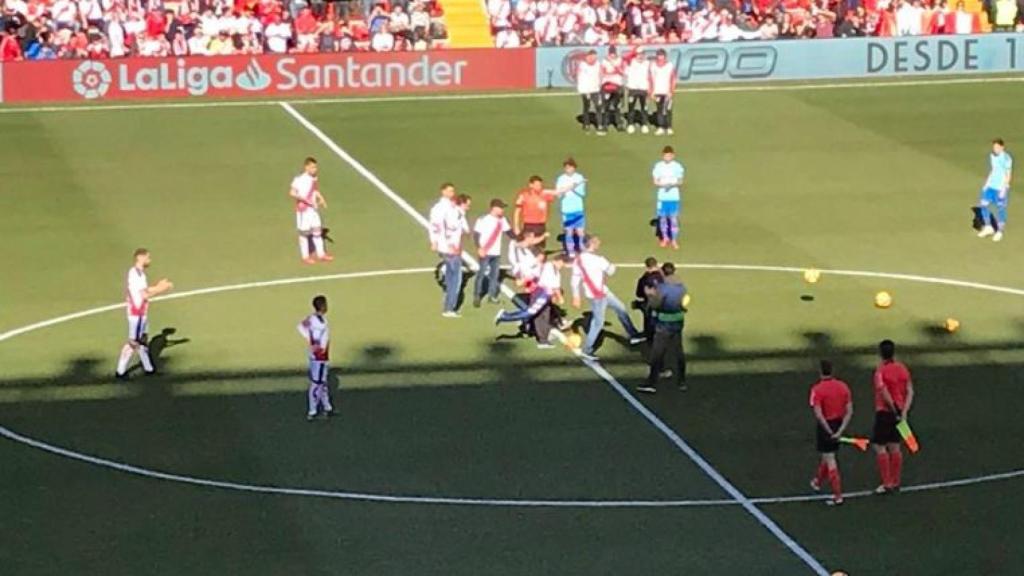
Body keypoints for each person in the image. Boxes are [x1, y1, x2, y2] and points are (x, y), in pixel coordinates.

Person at [571, 236, 644, 360]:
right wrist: (609, 266)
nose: (599, 243)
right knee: (598, 323)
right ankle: (587, 349)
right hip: (599, 294)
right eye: (596, 242)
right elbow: (611, 270)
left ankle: (633, 334)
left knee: (621, 308)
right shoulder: (599, 260)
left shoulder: (578, 260)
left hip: (597, 292)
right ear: (591, 244)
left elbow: (575, 279)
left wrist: (576, 295)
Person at [115, 249, 173, 379]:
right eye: (148, 258)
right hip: (137, 314)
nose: (149, 260)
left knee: (143, 340)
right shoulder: (135, 274)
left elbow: (145, 290)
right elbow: (144, 294)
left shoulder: (140, 274)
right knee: (133, 343)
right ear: (141, 258)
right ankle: (120, 371)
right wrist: (161, 289)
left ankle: (149, 368)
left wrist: (158, 286)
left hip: (141, 312)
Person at [495, 253, 565, 348]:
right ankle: (505, 316)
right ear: (558, 261)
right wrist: (560, 297)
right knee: (530, 312)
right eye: (562, 263)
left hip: (545, 295)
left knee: (543, 315)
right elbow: (554, 286)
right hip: (541, 294)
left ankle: (543, 340)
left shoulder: (554, 270)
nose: (562, 266)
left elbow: (534, 275)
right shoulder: (549, 268)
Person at [872, 339, 915, 494]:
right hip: (899, 412)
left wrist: (894, 408)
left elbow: (883, 392)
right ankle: (896, 481)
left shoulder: (880, 371)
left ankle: (886, 482)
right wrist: (904, 411)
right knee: (895, 446)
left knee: (879, 446)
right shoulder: (902, 368)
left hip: (885, 412)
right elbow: (910, 391)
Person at [808, 360, 853, 507]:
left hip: (825, 425)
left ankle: (837, 495)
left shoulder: (817, 389)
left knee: (830, 458)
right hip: (838, 423)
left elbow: (818, 413)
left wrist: (828, 430)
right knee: (827, 455)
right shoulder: (843, 386)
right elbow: (849, 410)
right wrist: (840, 430)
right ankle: (817, 482)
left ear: (820, 371)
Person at [637, 262, 686, 393]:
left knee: (657, 353)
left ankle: (651, 382)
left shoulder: (662, 288)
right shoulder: (681, 287)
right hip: (678, 321)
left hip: (664, 323)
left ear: (663, 272)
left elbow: (655, 304)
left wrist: (649, 294)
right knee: (678, 352)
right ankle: (681, 381)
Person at [429, 182, 467, 318]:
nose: (452, 193)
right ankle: (449, 308)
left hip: (444, 246)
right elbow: (444, 227)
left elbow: (434, 226)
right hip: (450, 247)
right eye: (450, 191)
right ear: (443, 191)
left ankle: (447, 305)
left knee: (451, 276)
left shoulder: (438, 208)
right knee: (455, 279)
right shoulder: (446, 208)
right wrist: (450, 244)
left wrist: (434, 241)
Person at [289, 157, 334, 264]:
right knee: (304, 233)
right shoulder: (299, 179)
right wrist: (305, 200)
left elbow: (315, 190)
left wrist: (321, 198)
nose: (315, 169)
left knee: (317, 231)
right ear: (306, 167)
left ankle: (321, 254)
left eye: (315, 167)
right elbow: (292, 192)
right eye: (313, 167)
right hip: (303, 210)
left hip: (313, 210)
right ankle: (305, 256)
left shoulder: (314, 178)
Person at [297, 295, 334, 421]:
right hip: (318, 357)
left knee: (323, 382)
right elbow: (302, 328)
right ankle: (312, 411)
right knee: (316, 383)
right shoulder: (317, 321)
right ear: (322, 306)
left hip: (322, 356)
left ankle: (327, 407)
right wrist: (313, 344)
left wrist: (311, 340)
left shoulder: (316, 318)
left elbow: (301, 327)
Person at [472, 198, 514, 306]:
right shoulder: (483, 219)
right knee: (481, 274)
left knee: (494, 275)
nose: (502, 210)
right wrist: (479, 248)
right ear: (494, 208)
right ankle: (477, 296)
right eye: (501, 208)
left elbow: (509, 233)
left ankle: (491, 296)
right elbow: (476, 235)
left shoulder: (502, 220)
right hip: (485, 251)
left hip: (496, 252)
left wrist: (521, 239)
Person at [976, 138, 1013, 242]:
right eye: (994, 147)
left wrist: (1004, 189)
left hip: (1000, 188)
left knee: (1000, 209)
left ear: (1002, 147)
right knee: (983, 205)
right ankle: (988, 227)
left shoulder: (1006, 158)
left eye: (997, 147)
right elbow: (993, 170)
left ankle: (1000, 231)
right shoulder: (992, 156)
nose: (995, 149)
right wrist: (986, 183)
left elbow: (1008, 175)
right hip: (991, 187)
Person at [513, 175, 562, 249]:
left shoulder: (544, 194)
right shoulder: (524, 195)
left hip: (541, 226)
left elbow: (557, 193)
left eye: (540, 185)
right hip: (529, 226)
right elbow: (517, 212)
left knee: (540, 249)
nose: (539, 187)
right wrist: (516, 227)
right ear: (531, 185)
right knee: (529, 247)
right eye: (537, 185)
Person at [652, 146, 685, 249]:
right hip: (662, 197)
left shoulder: (677, 166)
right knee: (662, 219)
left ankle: (674, 240)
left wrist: (670, 185)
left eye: (669, 155)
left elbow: (680, 181)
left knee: (673, 219)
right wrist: (663, 186)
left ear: (673, 156)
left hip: (673, 197)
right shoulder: (658, 166)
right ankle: (665, 238)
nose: (667, 157)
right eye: (666, 155)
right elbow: (655, 181)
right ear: (663, 156)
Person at [556, 158, 588, 258]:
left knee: (580, 231)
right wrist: (568, 188)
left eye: (570, 168)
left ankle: (582, 249)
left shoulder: (579, 178)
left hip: (578, 208)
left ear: (574, 168)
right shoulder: (561, 179)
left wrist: (574, 188)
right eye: (566, 168)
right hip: (566, 209)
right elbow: (558, 193)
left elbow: (582, 193)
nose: (568, 170)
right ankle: (571, 251)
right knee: (568, 231)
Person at [634, 257, 664, 340]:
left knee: (648, 319)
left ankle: (648, 335)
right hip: (663, 303)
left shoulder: (645, 279)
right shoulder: (663, 276)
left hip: (650, 303)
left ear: (647, 266)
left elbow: (639, 294)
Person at [649, 49, 677, 136]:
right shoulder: (653, 66)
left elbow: (673, 79)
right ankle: (660, 127)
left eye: (662, 55)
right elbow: (650, 79)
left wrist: (671, 91)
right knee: (659, 109)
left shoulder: (669, 65)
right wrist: (651, 92)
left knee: (668, 109)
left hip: (667, 91)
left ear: (665, 56)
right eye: (659, 55)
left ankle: (668, 127)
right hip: (657, 91)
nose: (660, 57)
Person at [576, 49, 605, 134]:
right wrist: (582, 89)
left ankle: (599, 124)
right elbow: (579, 76)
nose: (594, 59)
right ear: (588, 57)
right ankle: (586, 124)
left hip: (595, 89)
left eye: (595, 58)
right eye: (592, 57)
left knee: (598, 106)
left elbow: (601, 74)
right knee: (587, 106)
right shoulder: (582, 65)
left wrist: (600, 84)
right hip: (585, 89)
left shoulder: (598, 64)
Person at [624, 47, 650, 134]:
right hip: (633, 88)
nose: (640, 56)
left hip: (644, 88)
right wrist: (634, 50)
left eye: (642, 54)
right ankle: (630, 124)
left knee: (644, 108)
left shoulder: (647, 63)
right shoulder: (631, 62)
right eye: (639, 54)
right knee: (631, 107)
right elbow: (625, 58)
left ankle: (644, 124)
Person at [600, 46, 626, 132]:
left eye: (613, 53)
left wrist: (615, 70)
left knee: (617, 106)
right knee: (605, 106)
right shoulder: (604, 61)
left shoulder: (620, 60)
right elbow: (602, 72)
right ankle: (605, 124)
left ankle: (619, 123)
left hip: (617, 84)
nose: (612, 55)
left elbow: (622, 72)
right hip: (606, 85)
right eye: (611, 53)